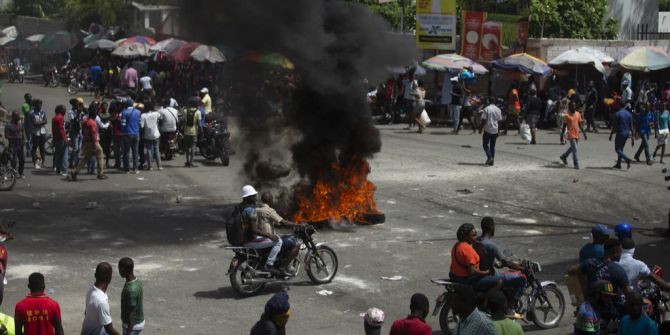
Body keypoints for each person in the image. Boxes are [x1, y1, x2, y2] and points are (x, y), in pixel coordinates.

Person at [569, 238, 630, 316]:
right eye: (620, 252)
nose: (621, 254)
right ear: (615, 252)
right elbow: (628, 294)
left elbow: (571, 271)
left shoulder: (590, 263)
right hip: (610, 312)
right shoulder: (618, 271)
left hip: (590, 308)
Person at [475, 217, 526, 303]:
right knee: (522, 280)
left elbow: (483, 257)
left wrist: (496, 264)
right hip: (488, 276)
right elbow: (506, 262)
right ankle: (510, 307)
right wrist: (523, 268)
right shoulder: (491, 245)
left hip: (479, 275)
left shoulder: (476, 241)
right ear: (492, 228)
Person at [241, 186, 283, 276]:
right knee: (278, 241)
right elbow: (254, 230)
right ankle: (269, 264)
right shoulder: (251, 210)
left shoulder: (240, 208)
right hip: (249, 239)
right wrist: (269, 235)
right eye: (253, 196)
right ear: (248, 197)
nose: (256, 198)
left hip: (243, 238)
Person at [257, 192, 301, 273]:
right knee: (296, 245)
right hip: (268, 239)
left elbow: (274, 222)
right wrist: (299, 225)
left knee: (283, 238)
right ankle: (283, 267)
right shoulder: (269, 210)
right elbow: (282, 222)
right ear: (270, 201)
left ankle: (279, 261)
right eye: (272, 200)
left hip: (260, 239)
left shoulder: (257, 210)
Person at [449, 223, 500, 291]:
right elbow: (472, 271)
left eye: (476, 234)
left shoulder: (457, 245)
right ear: (465, 236)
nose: (476, 237)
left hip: (454, 276)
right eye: (473, 235)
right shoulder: (468, 250)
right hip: (466, 280)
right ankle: (486, 300)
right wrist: (487, 272)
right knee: (499, 281)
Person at [81, 262, 121, 335]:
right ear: (110, 278)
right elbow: (109, 329)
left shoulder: (91, 290)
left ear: (95, 275)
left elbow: (86, 313)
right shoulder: (101, 301)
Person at [70, 107, 107, 181]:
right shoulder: (93, 123)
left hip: (86, 141)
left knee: (85, 158)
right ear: (95, 115)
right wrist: (94, 144)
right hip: (93, 142)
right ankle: (100, 174)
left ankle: (75, 171)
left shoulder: (85, 121)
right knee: (100, 155)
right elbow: (93, 135)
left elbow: (83, 132)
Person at [118, 258, 144, 335]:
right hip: (137, 322)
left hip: (132, 326)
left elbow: (132, 313)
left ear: (123, 269)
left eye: (119, 268)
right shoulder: (137, 282)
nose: (119, 271)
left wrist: (129, 332)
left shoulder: (131, 290)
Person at [560, 102, 588, 169]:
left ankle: (564, 156)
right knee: (575, 149)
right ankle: (576, 163)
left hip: (577, 133)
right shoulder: (567, 116)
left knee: (573, 148)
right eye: (572, 106)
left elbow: (579, 125)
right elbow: (564, 127)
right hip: (570, 134)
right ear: (569, 107)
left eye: (574, 106)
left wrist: (584, 133)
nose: (574, 107)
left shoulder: (578, 114)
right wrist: (561, 136)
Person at [609, 105, 635, 170]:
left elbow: (614, 126)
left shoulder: (617, 114)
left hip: (620, 133)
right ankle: (619, 164)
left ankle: (627, 159)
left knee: (617, 149)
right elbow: (631, 127)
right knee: (621, 148)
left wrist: (611, 135)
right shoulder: (629, 114)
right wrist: (632, 138)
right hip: (627, 134)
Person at [479, 96, 502, 166]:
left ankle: (490, 157)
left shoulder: (486, 109)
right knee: (492, 146)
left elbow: (483, 120)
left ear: (488, 101)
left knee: (485, 145)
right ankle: (492, 161)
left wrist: (480, 129)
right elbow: (499, 121)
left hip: (487, 129)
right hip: (495, 130)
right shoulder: (498, 109)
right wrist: (498, 131)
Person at [121, 99, 141, 174]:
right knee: (135, 151)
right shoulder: (138, 112)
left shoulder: (124, 112)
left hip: (127, 134)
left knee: (126, 152)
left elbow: (123, 124)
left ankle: (127, 169)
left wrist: (123, 132)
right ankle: (135, 168)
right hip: (136, 133)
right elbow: (139, 123)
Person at [140, 102, 162, 171]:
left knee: (149, 150)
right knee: (156, 150)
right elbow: (161, 118)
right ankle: (159, 166)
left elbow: (141, 126)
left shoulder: (143, 115)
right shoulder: (156, 114)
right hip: (156, 134)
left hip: (148, 135)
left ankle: (150, 166)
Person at [4, 111, 25, 178]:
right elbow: (6, 136)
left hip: (20, 145)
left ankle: (21, 173)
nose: (19, 117)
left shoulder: (20, 124)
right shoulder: (8, 125)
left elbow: (23, 132)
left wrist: (24, 139)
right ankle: (13, 174)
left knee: (22, 159)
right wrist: (15, 137)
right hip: (13, 146)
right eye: (17, 116)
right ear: (13, 117)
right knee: (14, 161)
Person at [182, 97, 202, 168]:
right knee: (193, 147)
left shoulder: (185, 111)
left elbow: (184, 122)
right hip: (194, 132)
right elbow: (199, 124)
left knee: (187, 148)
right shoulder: (198, 112)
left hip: (186, 132)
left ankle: (187, 161)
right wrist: (201, 132)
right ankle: (191, 162)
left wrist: (183, 130)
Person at [66, 98, 85, 169]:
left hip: (80, 131)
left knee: (79, 149)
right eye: (77, 104)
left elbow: (82, 119)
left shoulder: (79, 111)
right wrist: (78, 113)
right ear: (73, 104)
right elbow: (72, 121)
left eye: (79, 104)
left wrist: (82, 113)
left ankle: (76, 163)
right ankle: (71, 163)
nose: (78, 105)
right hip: (73, 132)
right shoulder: (70, 112)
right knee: (75, 148)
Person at [29, 100, 47, 170]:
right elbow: (35, 124)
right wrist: (42, 122)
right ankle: (35, 163)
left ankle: (43, 163)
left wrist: (39, 122)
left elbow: (46, 121)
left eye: (41, 104)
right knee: (34, 148)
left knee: (42, 148)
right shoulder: (32, 113)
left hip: (43, 133)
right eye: (38, 105)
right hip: (35, 133)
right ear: (35, 105)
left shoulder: (42, 112)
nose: (40, 106)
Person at [51, 105, 68, 177]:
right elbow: (61, 129)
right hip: (61, 139)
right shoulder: (60, 118)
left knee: (58, 154)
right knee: (64, 155)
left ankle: (58, 169)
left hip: (56, 138)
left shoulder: (54, 118)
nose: (65, 112)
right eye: (64, 110)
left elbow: (54, 130)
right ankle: (64, 170)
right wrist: (65, 139)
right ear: (61, 111)